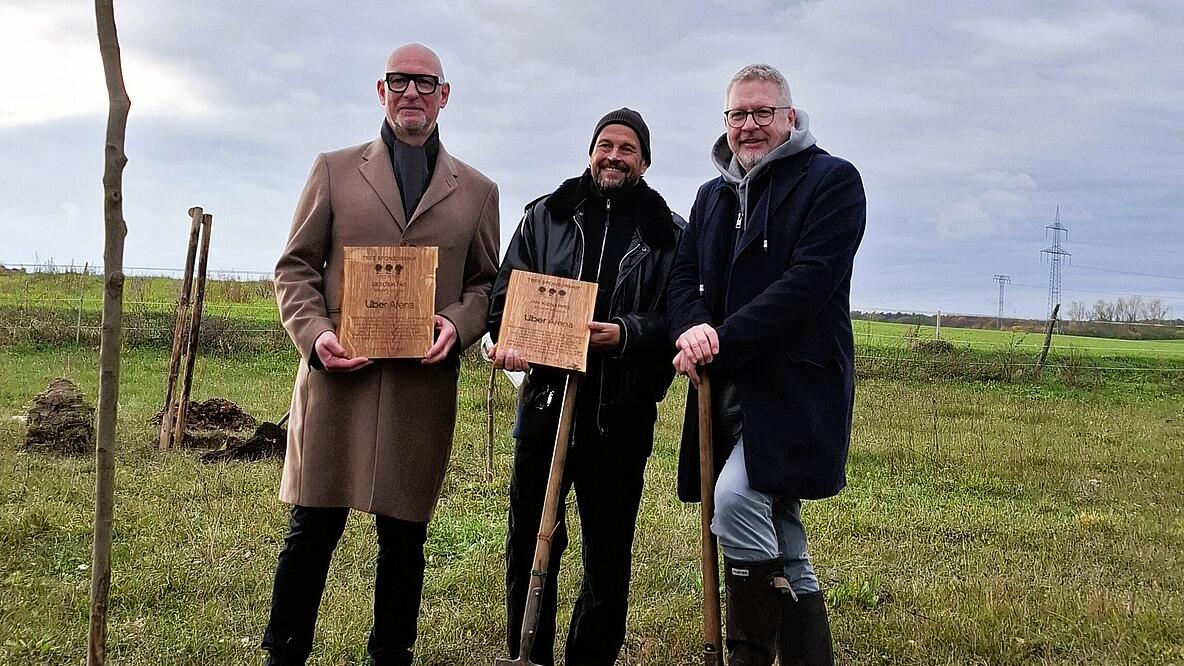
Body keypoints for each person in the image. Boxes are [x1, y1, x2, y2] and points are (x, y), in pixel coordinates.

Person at [265, 43, 499, 666]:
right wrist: (315, 335)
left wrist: (457, 323)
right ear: (381, 90)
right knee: (312, 529)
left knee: (403, 535)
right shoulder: (335, 170)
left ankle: (390, 654)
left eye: (425, 83)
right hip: (338, 378)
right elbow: (295, 268)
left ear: (444, 95)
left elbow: (485, 284)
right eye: (400, 82)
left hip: (420, 387)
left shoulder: (476, 190)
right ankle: (283, 653)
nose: (411, 94)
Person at [667, 64, 866, 666]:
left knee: (733, 501)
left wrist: (719, 339)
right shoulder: (711, 195)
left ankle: (748, 655)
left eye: (761, 113)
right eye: (738, 115)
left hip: (795, 387)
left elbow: (806, 287)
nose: (749, 126)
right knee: (783, 536)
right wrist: (693, 326)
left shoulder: (832, 182)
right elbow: (683, 278)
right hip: (728, 389)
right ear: (725, 122)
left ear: (789, 117)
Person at [487, 108, 683, 666]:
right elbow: (504, 303)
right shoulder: (545, 216)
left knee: (608, 549)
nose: (614, 156)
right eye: (605, 144)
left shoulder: (668, 234)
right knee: (530, 537)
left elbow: (676, 317)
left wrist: (623, 334)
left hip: (620, 413)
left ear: (644, 161)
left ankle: (589, 657)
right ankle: (528, 652)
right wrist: (509, 339)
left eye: (627, 148)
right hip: (547, 404)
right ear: (590, 151)